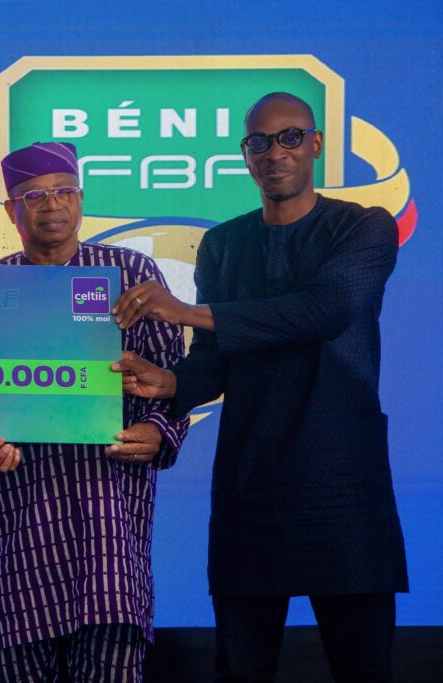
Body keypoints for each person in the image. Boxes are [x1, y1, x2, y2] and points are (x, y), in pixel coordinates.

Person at [111, 92, 408, 682]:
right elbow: (215, 360)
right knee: (241, 671)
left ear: (315, 144)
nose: (276, 153)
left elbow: (324, 311)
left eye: (290, 137)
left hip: (342, 486)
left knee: (364, 669)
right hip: (250, 487)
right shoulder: (224, 245)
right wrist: (170, 383)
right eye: (259, 142)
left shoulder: (364, 227)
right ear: (245, 155)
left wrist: (184, 311)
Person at [0, 141, 189, 682]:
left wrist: (156, 431)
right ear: (11, 210)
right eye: (34, 196)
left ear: (81, 199)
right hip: (18, 531)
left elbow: (174, 382)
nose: (52, 204)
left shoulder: (130, 274)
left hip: (110, 530)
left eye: (64, 191)